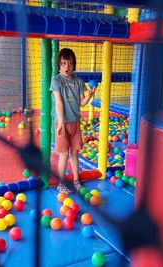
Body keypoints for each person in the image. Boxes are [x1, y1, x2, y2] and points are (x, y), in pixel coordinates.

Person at [50, 48, 97, 194]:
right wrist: (61, 124)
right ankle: (61, 183)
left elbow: (82, 103)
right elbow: (59, 102)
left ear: (73, 65)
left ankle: (77, 181)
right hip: (61, 124)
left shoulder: (78, 82)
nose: (67, 67)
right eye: (63, 63)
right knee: (64, 153)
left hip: (75, 123)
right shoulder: (56, 80)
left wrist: (90, 95)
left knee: (75, 153)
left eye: (70, 63)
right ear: (59, 66)